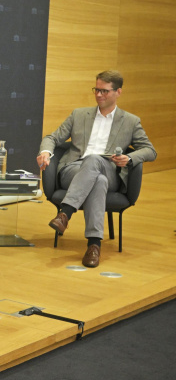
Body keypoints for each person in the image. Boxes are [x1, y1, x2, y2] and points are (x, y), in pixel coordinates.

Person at [37, 70, 156, 267]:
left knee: (96, 166)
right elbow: (52, 138)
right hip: (73, 170)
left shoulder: (130, 121)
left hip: (110, 171)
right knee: (96, 178)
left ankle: (65, 212)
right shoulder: (79, 114)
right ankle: (93, 245)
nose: (99, 95)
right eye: (96, 90)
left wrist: (129, 158)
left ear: (118, 92)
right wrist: (46, 152)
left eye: (104, 91)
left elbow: (150, 151)